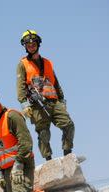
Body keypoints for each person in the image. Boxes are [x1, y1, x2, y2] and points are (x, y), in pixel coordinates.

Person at [17, 29, 75, 160]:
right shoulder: (22, 65)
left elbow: (56, 82)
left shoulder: (48, 62)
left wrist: (62, 100)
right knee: (43, 133)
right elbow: (20, 86)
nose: (31, 46)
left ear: (38, 43)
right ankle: (48, 160)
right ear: (25, 46)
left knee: (69, 124)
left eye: (33, 43)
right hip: (37, 104)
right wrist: (24, 104)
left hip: (54, 102)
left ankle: (67, 153)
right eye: (28, 44)